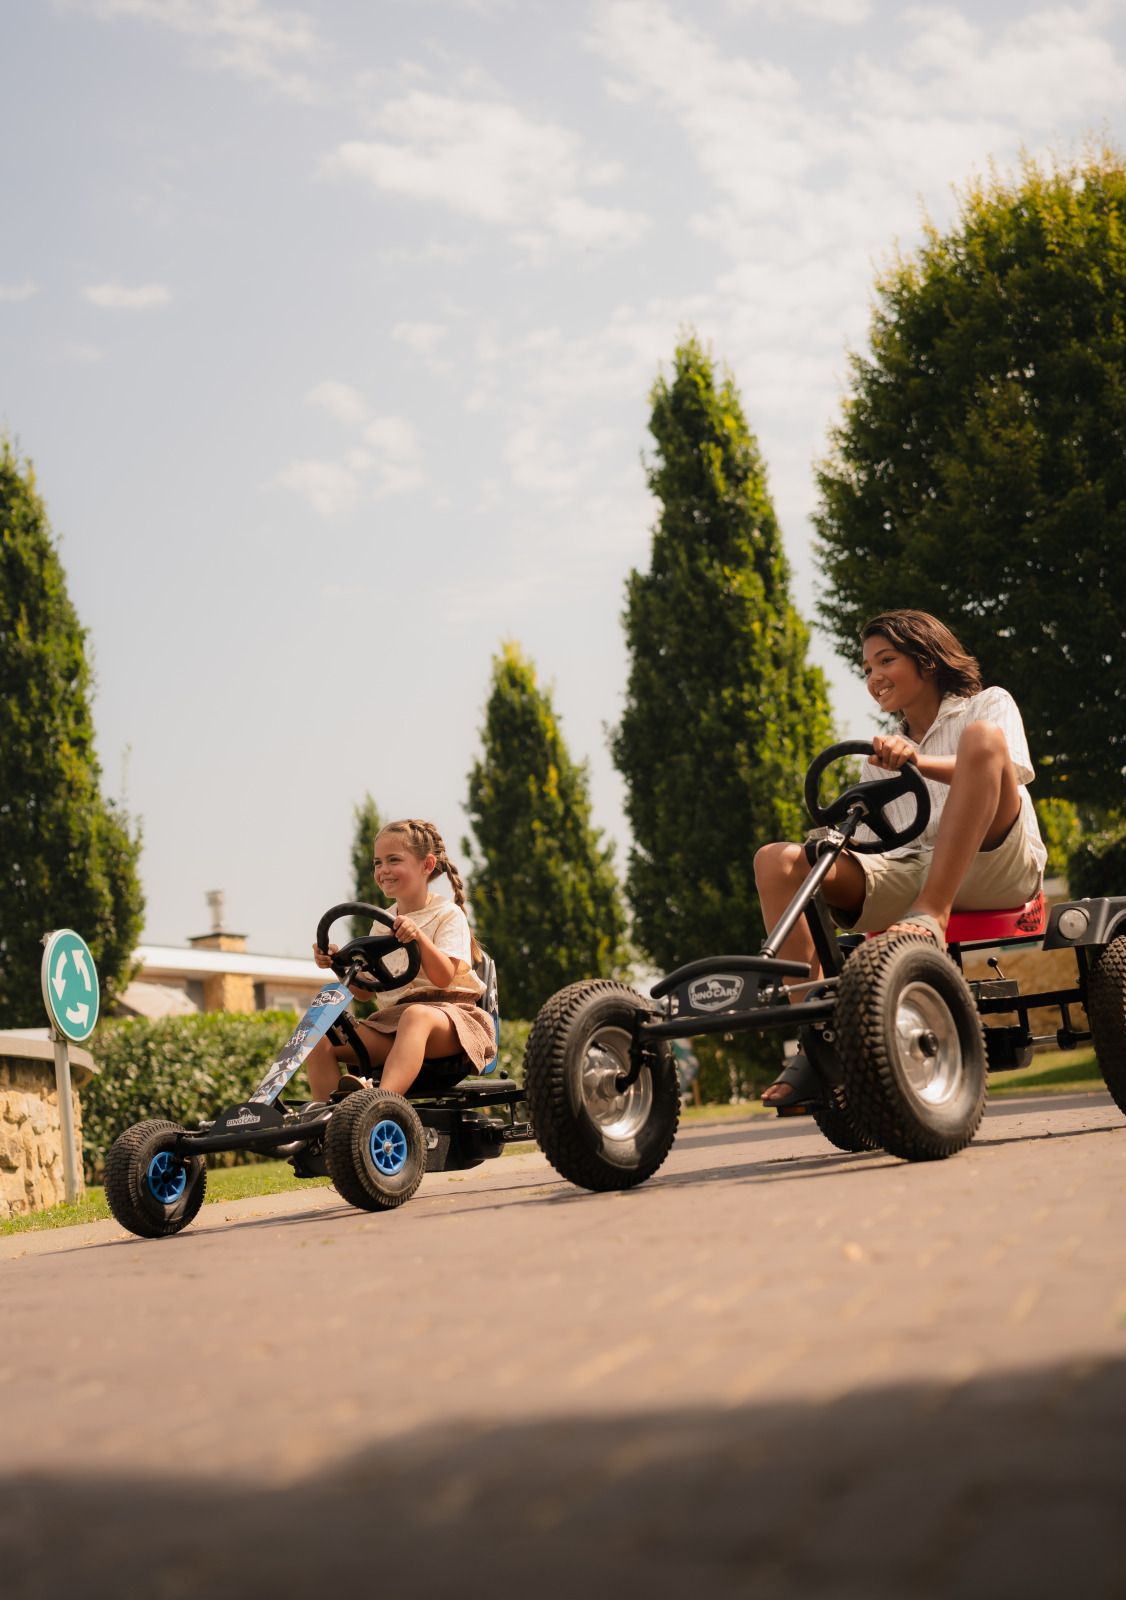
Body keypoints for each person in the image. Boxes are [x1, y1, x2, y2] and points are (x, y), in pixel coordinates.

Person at [754, 609, 1047, 1109]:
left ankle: (933, 913)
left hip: (997, 862)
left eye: (886, 660)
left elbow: (1008, 769)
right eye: (867, 668)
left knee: (982, 741)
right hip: (914, 869)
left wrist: (916, 760)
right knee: (776, 859)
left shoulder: (987, 705)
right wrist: (826, 856)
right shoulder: (880, 758)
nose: (874, 677)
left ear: (926, 660)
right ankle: (821, 1038)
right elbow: (877, 849)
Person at [305, 818, 495, 1101]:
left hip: (451, 1020)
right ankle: (331, 1118)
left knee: (415, 1016)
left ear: (427, 865)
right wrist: (337, 964)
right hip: (391, 1024)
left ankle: (377, 1103)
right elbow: (364, 992)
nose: (383, 870)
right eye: (377, 863)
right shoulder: (381, 923)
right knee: (318, 1038)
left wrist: (418, 937)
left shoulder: (447, 914)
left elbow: (443, 977)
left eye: (393, 860)